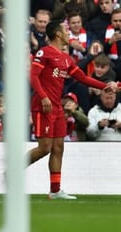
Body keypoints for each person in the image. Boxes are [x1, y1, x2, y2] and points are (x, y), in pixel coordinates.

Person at [28, 20, 117, 200]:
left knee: (58, 147)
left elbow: (83, 78)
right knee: (45, 148)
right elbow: (33, 76)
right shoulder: (43, 52)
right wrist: (44, 96)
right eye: (66, 31)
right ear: (58, 34)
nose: (69, 34)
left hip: (57, 108)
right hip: (43, 106)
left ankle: (55, 190)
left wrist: (104, 86)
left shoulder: (67, 59)